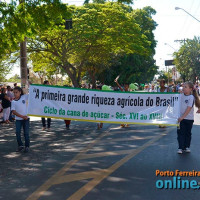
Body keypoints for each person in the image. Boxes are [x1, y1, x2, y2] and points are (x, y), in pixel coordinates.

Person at [177, 82, 200, 154]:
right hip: (181, 119)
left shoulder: (191, 97)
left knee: (188, 133)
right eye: (183, 87)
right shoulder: (180, 95)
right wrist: (180, 118)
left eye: (186, 87)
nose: (183, 88)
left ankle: (186, 147)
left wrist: (182, 117)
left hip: (189, 119)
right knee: (181, 133)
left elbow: (188, 109)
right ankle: (180, 147)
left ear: (190, 89)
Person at [11, 87, 30, 153]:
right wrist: (22, 116)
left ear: (20, 92)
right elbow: (14, 111)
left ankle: (27, 146)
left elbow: (32, 94)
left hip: (26, 119)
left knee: (26, 133)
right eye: (14, 92)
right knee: (17, 132)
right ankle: (20, 145)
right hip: (19, 119)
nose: (15, 94)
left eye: (16, 92)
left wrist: (31, 85)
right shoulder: (13, 102)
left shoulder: (24, 97)